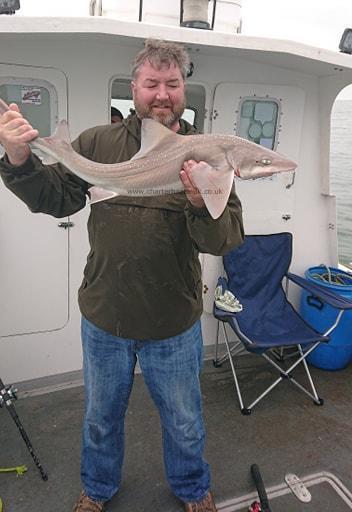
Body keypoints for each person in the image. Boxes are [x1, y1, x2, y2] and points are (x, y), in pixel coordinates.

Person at [0, 39, 244, 512]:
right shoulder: (97, 143)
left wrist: (202, 203)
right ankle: (97, 490)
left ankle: (193, 490)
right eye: (151, 83)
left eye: (172, 84)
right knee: (99, 418)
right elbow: (58, 199)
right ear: (134, 88)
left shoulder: (210, 152)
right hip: (105, 314)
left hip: (172, 321)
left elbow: (225, 240)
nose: (162, 94)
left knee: (185, 420)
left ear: (184, 90)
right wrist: (18, 159)